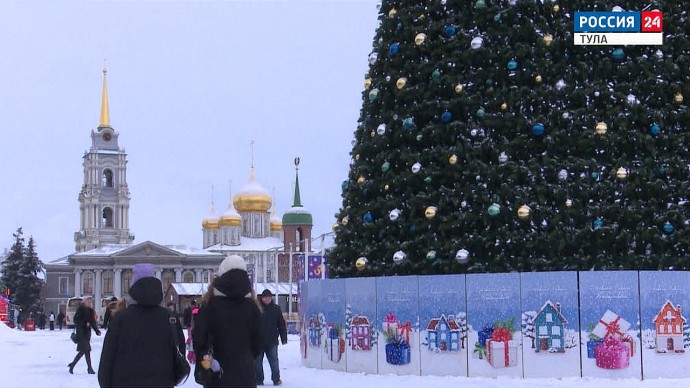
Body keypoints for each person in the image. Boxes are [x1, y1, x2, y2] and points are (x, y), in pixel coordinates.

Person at [98, 263, 183, 387]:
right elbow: (179, 354)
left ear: (133, 288)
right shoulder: (170, 318)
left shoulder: (120, 319)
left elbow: (107, 362)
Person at [193, 255, 262, 387]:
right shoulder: (252, 306)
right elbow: (258, 343)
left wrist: (206, 363)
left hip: (216, 372)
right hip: (245, 373)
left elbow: (199, 341)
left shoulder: (209, 305)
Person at [255, 289, 288, 386]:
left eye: (269, 298)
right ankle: (259, 379)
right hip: (258, 341)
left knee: (274, 361)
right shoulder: (256, 308)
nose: (267, 299)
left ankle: (276, 379)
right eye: (265, 298)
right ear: (262, 298)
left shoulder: (276, 309)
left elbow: (281, 324)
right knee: (257, 363)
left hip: (272, 340)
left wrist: (284, 338)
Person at [68, 297, 101, 374]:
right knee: (85, 350)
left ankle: (74, 365)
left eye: (90, 302)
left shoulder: (90, 311)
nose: (89, 303)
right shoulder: (80, 309)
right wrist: (84, 323)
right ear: (84, 302)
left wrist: (97, 331)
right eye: (88, 302)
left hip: (87, 333)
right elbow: (76, 320)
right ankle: (88, 368)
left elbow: (92, 322)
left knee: (85, 351)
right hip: (81, 332)